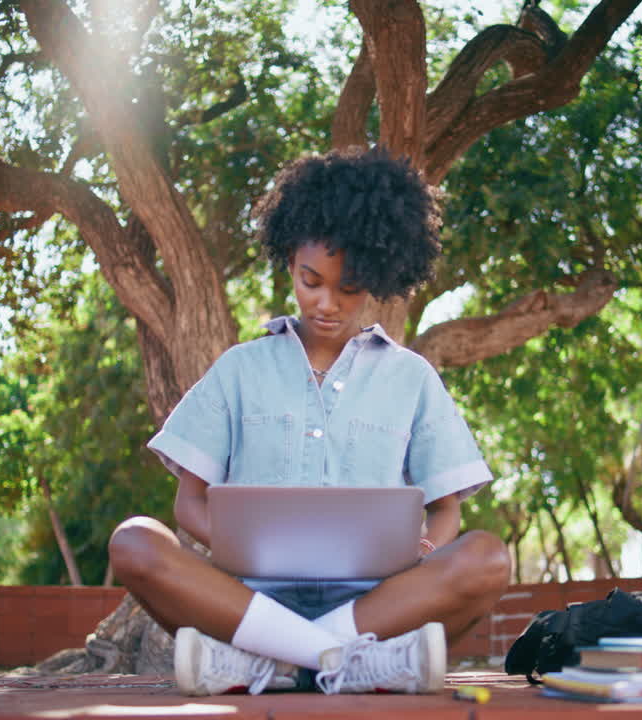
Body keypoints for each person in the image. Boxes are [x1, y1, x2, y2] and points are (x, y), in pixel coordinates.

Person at [108, 147, 511, 697]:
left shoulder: (412, 378)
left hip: (379, 603)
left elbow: (447, 513)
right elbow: (188, 503)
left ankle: (269, 665)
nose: (326, 303)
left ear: (378, 277)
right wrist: (238, 546)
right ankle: (342, 661)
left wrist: (424, 549)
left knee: (487, 558)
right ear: (289, 261)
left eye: (348, 289)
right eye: (310, 279)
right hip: (247, 601)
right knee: (134, 543)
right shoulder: (239, 368)